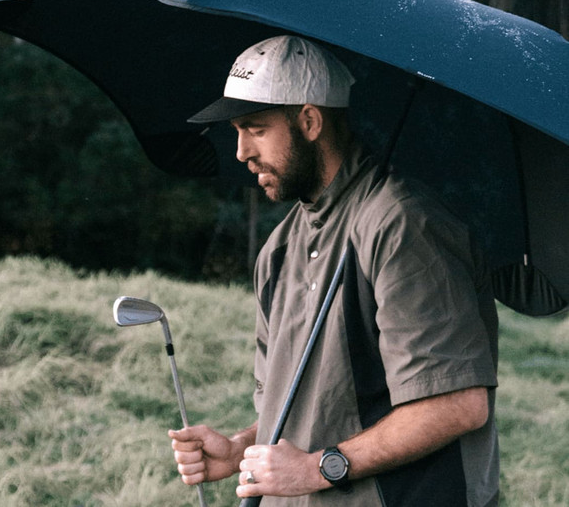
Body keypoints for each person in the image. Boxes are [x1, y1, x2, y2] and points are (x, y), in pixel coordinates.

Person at [169, 35, 499, 506]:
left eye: (256, 128)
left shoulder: (402, 224)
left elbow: (457, 404)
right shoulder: (279, 249)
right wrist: (240, 448)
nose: (241, 151)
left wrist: (319, 467)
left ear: (309, 121)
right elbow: (301, 407)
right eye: (238, 131)